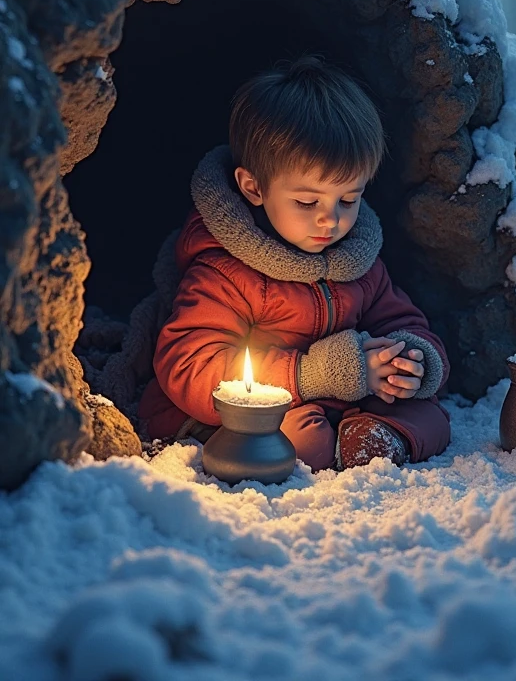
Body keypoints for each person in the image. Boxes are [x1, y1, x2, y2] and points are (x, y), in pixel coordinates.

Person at [138, 55, 451, 470]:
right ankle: (337, 447)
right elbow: (189, 364)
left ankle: (373, 441)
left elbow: (403, 322)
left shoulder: (357, 263)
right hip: (265, 407)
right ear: (254, 188)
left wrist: (410, 360)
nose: (331, 218)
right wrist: (309, 374)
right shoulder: (227, 271)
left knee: (430, 416)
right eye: (307, 201)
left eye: (348, 199)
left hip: (348, 398)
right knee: (297, 437)